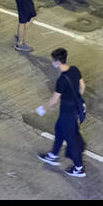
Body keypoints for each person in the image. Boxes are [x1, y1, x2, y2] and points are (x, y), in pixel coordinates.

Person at [36, 47, 85, 178]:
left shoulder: (62, 80)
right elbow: (82, 86)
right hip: (73, 110)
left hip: (67, 112)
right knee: (58, 129)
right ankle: (53, 155)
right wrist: (76, 99)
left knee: (71, 140)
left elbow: (54, 100)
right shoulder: (74, 70)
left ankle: (79, 168)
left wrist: (43, 109)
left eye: (53, 60)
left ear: (57, 62)